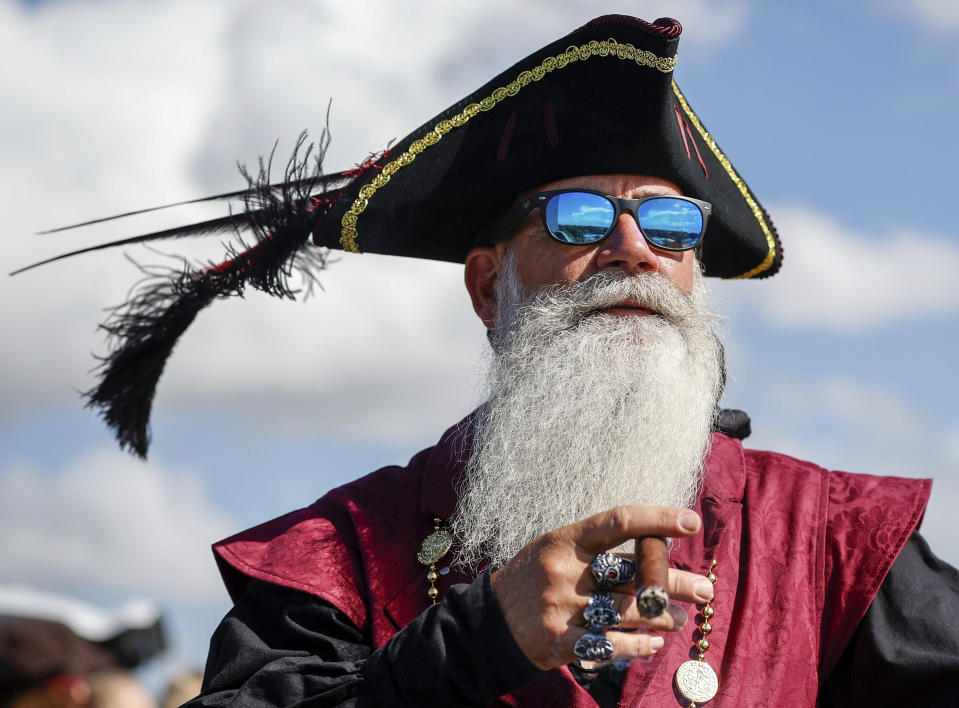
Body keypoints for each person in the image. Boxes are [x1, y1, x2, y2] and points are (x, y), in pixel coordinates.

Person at [29, 14, 957, 708]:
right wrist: (478, 638)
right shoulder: (338, 553)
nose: (635, 250)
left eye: (673, 228)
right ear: (487, 288)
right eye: (580, 220)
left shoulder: (833, 536)